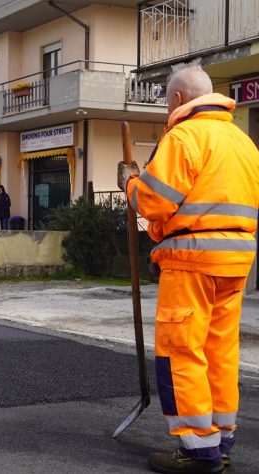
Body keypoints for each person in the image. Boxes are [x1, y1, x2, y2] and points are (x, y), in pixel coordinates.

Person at [117, 65, 259, 474]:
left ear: (177, 99)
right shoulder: (243, 141)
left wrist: (130, 184)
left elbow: (153, 202)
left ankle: (198, 451)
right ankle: (220, 441)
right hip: (236, 262)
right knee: (219, 352)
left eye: (167, 101)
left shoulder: (183, 137)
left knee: (181, 352)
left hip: (191, 262)